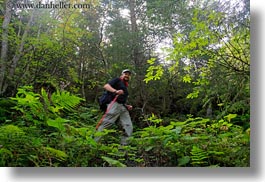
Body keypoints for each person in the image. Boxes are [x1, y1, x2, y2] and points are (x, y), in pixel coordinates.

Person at [95, 69, 133, 145]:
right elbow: (106, 86)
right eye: (125, 74)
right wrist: (115, 91)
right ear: (122, 74)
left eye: (128, 75)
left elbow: (121, 98)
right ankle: (95, 143)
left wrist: (126, 105)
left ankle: (123, 148)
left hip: (122, 107)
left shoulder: (125, 85)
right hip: (114, 104)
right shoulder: (117, 80)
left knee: (128, 126)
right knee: (107, 123)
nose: (127, 75)